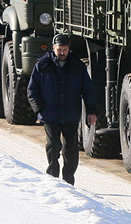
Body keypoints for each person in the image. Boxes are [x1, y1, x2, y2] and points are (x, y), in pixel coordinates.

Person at [27, 33, 98, 185]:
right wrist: (39, 110)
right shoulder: (43, 65)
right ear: (53, 48)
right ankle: (52, 179)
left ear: (68, 49)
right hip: (50, 114)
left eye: (65, 49)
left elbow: (88, 90)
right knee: (53, 146)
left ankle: (68, 181)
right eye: (59, 49)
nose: (62, 53)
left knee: (70, 150)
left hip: (70, 114)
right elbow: (32, 90)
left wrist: (91, 111)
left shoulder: (77, 66)